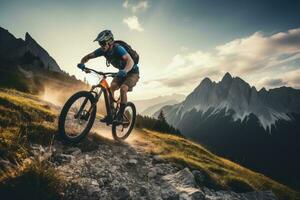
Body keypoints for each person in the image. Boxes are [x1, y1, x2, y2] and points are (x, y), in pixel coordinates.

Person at [78, 30, 139, 124]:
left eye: (102, 43)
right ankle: (111, 114)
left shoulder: (118, 49)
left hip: (133, 73)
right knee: (111, 89)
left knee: (123, 88)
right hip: (121, 73)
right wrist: (82, 64)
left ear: (110, 42)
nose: (101, 45)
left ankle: (120, 116)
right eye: (99, 43)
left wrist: (125, 71)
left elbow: (130, 61)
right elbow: (88, 56)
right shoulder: (102, 51)